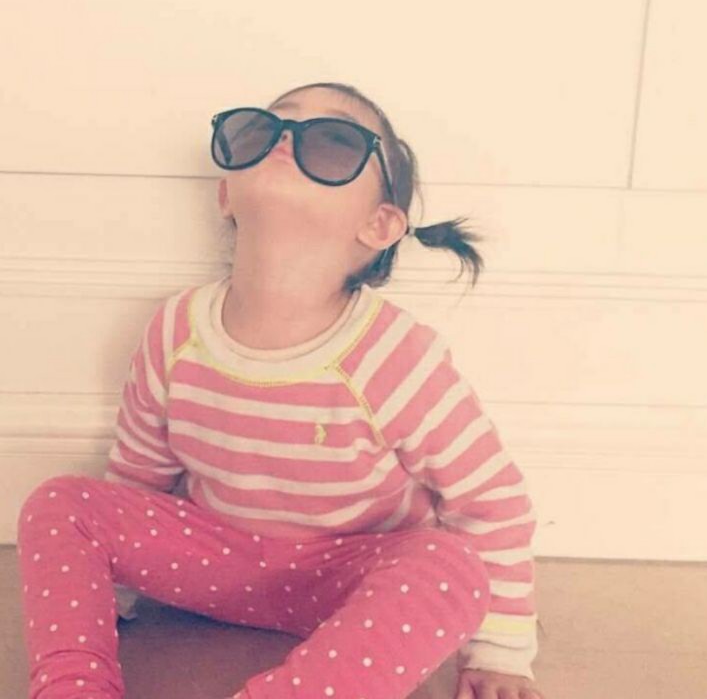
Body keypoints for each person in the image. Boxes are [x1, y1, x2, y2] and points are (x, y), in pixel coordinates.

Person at [16, 81, 545, 699]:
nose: (285, 142)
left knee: (450, 566)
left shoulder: (398, 355)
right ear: (226, 194)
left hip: (352, 579)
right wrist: (109, 584)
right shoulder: (175, 329)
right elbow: (139, 478)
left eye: (333, 142)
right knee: (61, 502)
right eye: (261, 132)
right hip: (215, 563)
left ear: (379, 224)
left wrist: (502, 651)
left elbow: (491, 501)